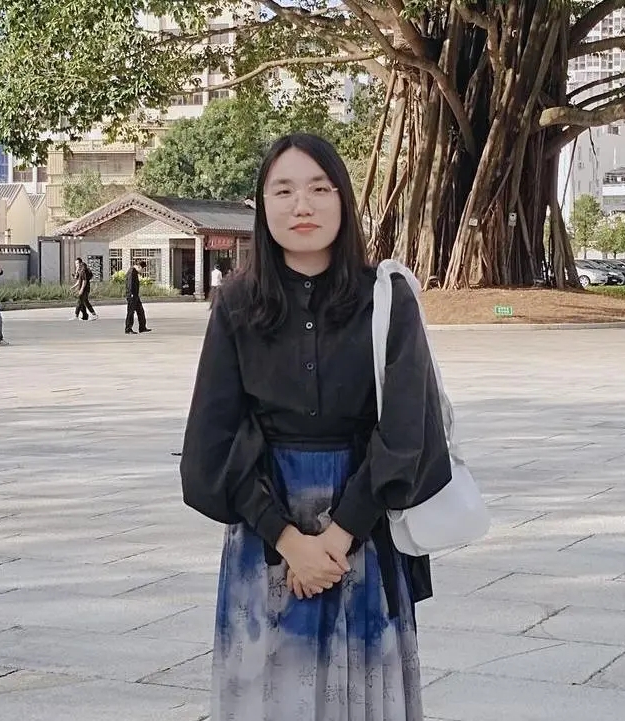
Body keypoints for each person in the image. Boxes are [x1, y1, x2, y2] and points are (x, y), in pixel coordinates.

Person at [180, 133, 451, 720]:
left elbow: (407, 430)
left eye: (319, 189)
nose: (301, 205)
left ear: (343, 199)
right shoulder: (237, 304)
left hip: (364, 531)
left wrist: (337, 536)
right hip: (264, 536)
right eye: (283, 191)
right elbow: (211, 442)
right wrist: (287, 540)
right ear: (263, 206)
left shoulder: (388, 299)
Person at [124, 259, 152, 335]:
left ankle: (142, 328)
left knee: (140, 311)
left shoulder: (135, 272)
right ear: (139, 266)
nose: (143, 271)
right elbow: (130, 284)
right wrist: (131, 295)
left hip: (135, 295)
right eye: (143, 269)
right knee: (131, 312)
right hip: (132, 295)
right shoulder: (131, 272)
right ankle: (128, 329)